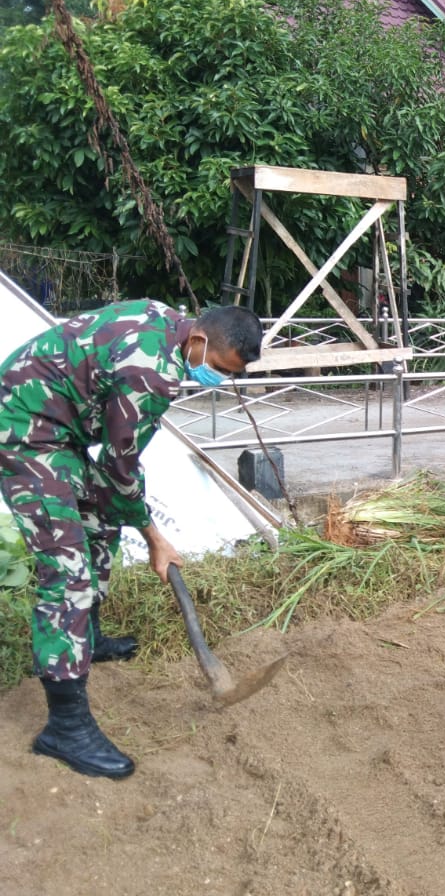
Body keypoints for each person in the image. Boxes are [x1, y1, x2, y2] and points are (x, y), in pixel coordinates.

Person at [0, 299, 263, 779]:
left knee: (102, 521)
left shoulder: (167, 321)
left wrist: (130, 514)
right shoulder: (150, 373)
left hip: (60, 428)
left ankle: (88, 636)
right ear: (200, 341)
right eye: (218, 370)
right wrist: (155, 536)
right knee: (67, 573)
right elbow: (121, 470)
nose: (217, 381)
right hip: (23, 429)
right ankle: (65, 727)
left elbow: (116, 470)